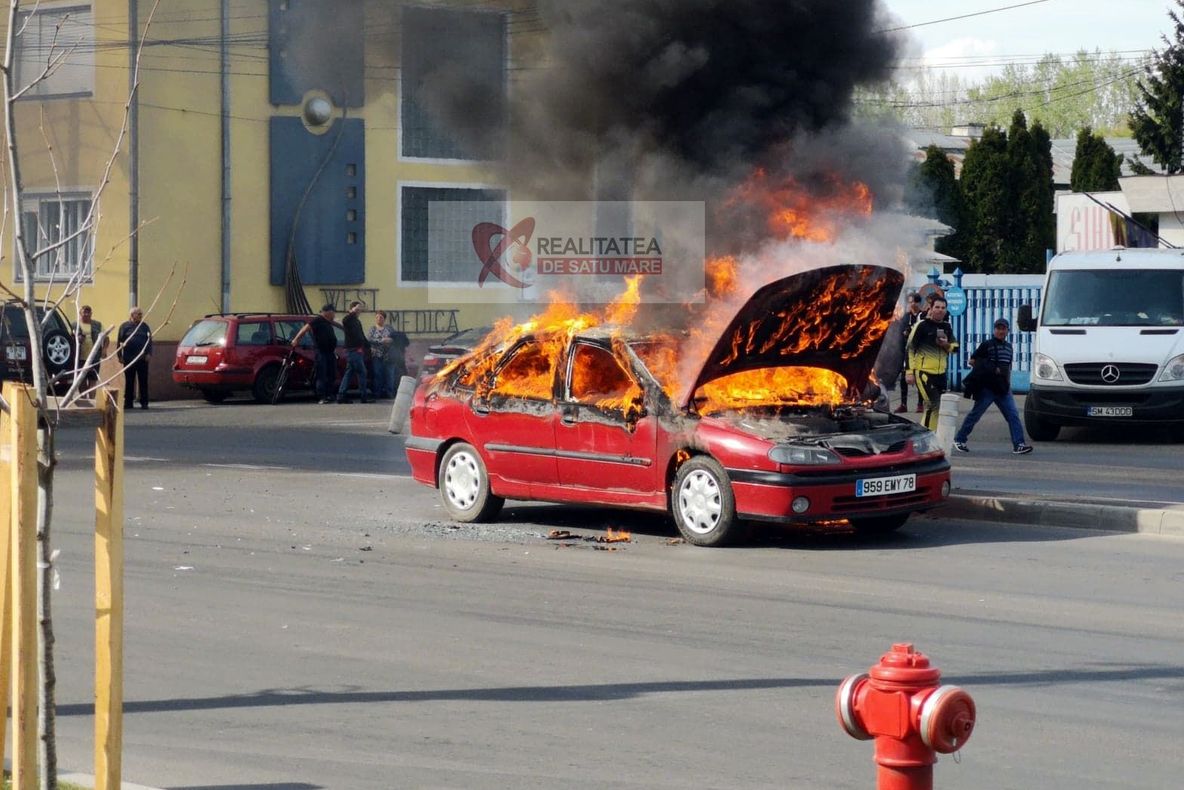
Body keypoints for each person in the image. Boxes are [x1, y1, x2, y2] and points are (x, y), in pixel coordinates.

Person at [954, 318, 1033, 455]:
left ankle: (1019, 444)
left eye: (1003, 328)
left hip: (1003, 389)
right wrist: (989, 368)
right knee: (976, 414)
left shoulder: (1009, 347)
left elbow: (1007, 367)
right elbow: (972, 361)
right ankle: (960, 439)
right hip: (988, 388)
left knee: (1013, 416)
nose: (1000, 331)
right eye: (998, 328)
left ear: (1008, 330)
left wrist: (1007, 384)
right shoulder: (987, 345)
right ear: (994, 330)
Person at [906, 296, 958, 431]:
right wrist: (909, 372)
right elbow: (910, 349)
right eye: (937, 307)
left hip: (940, 374)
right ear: (931, 309)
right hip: (923, 372)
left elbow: (956, 348)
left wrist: (946, 344)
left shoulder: (947, 327)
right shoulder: (921, 326)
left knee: (936, 408)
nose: (940, 310)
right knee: (933, 405)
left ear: (946, 310)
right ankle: (928, 437)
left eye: (943, 308)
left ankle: (928, 435)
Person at [291, 303, 339, 404]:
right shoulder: (317, 320)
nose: (334, 315)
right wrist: (296, 339)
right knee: (321, 374)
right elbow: (305, 329)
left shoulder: (328, 322)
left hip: (330, 352)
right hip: (321, 352)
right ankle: (321, 397)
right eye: (333, 313)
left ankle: (329, 395)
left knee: (332, 374)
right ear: (328, 312)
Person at [335, 300, 372, 404]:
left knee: (349, 372)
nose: (359, 311)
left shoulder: (357, 321)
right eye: (357, 308)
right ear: (351, 309)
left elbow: (361, 336)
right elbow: (345, 320)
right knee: (362, 372)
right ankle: (364, 396)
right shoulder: (349, 319)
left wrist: (368, 346)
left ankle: (341, 395)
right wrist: (352, 312)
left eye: (360, 309)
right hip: (353, 350)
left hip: (357, 350)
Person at [117, 306, 153, 409]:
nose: (141, 316)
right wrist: (119, 355)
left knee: (143, 381)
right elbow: (120, 342)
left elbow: (149, 341)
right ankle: (128, 402)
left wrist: (149, 353)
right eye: (139, 314)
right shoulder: (124, 327)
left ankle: (144, 402)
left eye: (141, 314)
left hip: (142, 359)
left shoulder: (145, 326)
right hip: (129, 358)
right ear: (132, 315)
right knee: (129, 381)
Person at [896, 293, 924, 414]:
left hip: (920, 351)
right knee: (904, 377)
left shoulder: (923, 316)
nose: (912, 304)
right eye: (910, 302)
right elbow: (900, 332)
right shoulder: (905, 317)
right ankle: (903, 404)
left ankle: (920, 404)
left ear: (919, 303)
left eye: (915, 302)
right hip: (907, 350)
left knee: (919, 377)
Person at [75, 304, 108, 389]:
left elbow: (106, 338)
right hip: (80, 359)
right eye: (84, 312)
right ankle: (85, 400)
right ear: (80, 313)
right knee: (81, 381)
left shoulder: (98, 325)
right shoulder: (74, 325)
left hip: (94, 358)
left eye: (88, 312)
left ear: (91, 313)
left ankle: (92, 400)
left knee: (93, 380)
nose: (86, 314)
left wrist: (104, 350)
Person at [367, 310, 397, 399]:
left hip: (389, 356)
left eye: (381, 317)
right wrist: (381, 341)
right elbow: (369, 339)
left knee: (390, 374)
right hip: (377, 355)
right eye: (377, 317)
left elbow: (396, 338)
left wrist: (391, 340)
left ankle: (389, 393)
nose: (379, 319)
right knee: (377, 374)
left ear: (384, 319)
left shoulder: (389, 329)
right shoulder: (372, 329)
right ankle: (377, 393)